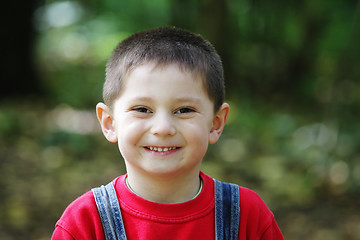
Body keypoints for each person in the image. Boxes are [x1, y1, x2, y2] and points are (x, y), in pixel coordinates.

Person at [52, 26, 284, 240]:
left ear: (215, 124)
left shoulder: (246, 215)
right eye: (142, 109)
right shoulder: (84, 223)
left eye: (184, 110)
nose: (163, 128)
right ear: (110, 122)